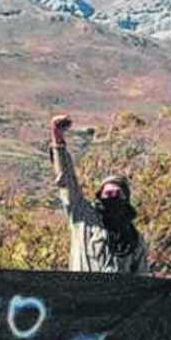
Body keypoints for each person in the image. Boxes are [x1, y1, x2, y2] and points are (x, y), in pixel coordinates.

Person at [48, 114, 150, 274]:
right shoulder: (83, 217)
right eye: (108, 194)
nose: (112, 198)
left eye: (117, 194)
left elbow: (142, 280)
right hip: (81, 295)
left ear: (126, 199)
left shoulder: (133, 239)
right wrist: (57, 137)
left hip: (116, 298)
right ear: (100, 195)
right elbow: (67, 181)